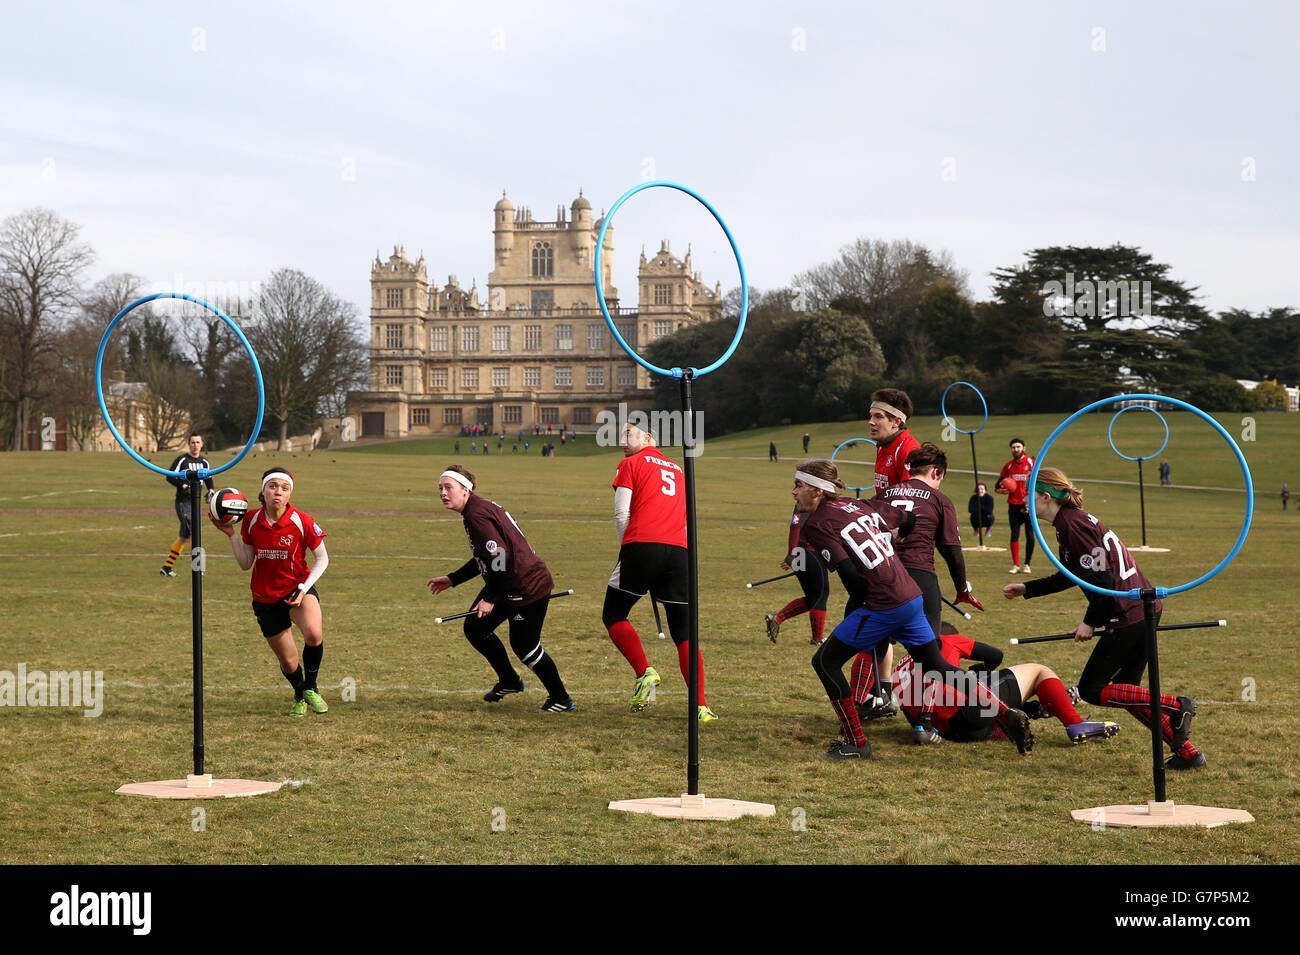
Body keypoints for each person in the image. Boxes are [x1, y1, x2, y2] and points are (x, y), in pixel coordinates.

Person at [791, 459, 1033, 759]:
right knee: (937, 666)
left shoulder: (817, 525)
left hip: (884, 603)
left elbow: (852, 579)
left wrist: (863, 611)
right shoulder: (858, 503)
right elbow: (908, 519)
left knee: (825, 663)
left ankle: (856, 741)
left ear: (817, 491)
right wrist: (895, 537)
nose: (793, 492)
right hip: (911, 595)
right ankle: (1006, 712)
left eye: (799, 485)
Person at [1002, 467, 1204, 769]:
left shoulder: (1072, 526)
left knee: (1092, 689)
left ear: (1046, 497)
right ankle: (1189, 754)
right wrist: (1027, 588)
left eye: (1029, 497)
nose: (1024, 504)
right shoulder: (1069, 524)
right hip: (1139, 609)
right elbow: (1073, 575)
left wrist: (1089, 622)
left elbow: (1104, 579)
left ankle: (1178, 705)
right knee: (1128, 693)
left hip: (1127, 614)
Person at [427, 465, 575, 712]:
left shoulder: (476, 516)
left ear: (465, 490)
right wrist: (454, 579)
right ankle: (509, 680)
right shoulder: (477, 508)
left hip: (525, 586)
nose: (443, 493)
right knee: (476, 627)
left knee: (525, 647)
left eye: (448, 488)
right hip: (509, 581)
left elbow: (500, 558)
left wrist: (490, 598)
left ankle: (561, 698)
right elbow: (486, 557)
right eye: (440, 488)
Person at [602, 423, 716, 722]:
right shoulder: (678, 469)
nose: (623, 441)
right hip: (680, 551)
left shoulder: (630, 464)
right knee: (684, 633)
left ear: (648, 438)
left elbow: (621, 512)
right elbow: (687, 516)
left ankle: (645, 673)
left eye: (630, 434)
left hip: (641, 545)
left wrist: (629, 548)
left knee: (613, 615)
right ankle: (700, 706)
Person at [210, 468, 330, 716]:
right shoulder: (252, 520)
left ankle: (312, 688)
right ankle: (299, 693)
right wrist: (232, 536)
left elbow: (322, 559)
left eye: (284, 488)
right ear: (263, 491)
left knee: (314, 633)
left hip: (297, 589)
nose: (278, 492)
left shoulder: (303, 521)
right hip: (265, 597)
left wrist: (303, 588)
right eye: (273, 486)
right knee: (288, 661)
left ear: (289, 494)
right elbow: (246, 564)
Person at [889, 622, 1120, 745]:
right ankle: (1074, 722)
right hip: (971, 712)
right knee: (1039, 671)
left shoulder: (899, 668)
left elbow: (912, 716)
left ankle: (1038, 709)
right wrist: (982, 671)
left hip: (955, 733)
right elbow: (995, 655)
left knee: (991, 690)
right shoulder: (947, 639)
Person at [159, 433, 215, 577]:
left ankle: (166, 568)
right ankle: (198, 567)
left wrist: (211, 490)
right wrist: (182, 485)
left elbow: (208, 477)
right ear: (188, 444)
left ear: (202, 444)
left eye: (198, 442)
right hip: (183, 503)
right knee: (193, 533)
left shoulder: (204, 462)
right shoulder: (182, 460)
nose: (195, 445)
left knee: (184, 536)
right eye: (192, 442)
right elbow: (169, 476)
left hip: (195, 504)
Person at [997, 438, 1036, 574]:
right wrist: (1004, 490)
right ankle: (1015, 565)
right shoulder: (1008, 466)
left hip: (1028, 505)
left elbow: (1038, 482)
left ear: (1024, 448)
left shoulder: (1031, 463)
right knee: (1014, 534)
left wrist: (1031, 502)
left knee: (1029, 534)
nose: (1016, 449)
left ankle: (1027, 564)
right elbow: (997, 486)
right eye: (1013, 447)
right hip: (1013, 505)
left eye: (1018, 447)